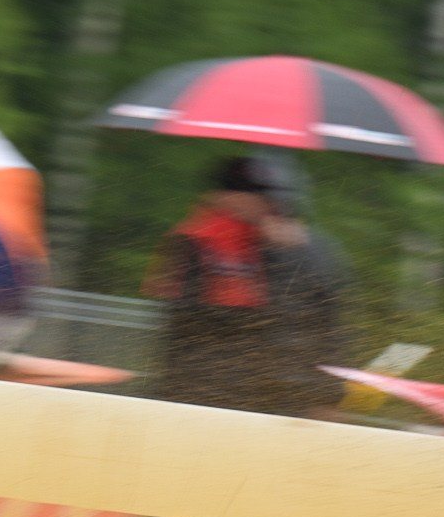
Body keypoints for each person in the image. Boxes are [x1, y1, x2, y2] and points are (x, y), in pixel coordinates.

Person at [144, 154, 351, 417]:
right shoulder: (199, 243)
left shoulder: (311, 251)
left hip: (281, 403)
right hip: (205, 396)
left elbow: (325, 328)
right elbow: (189, 324)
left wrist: (328, 397)